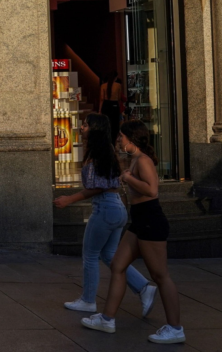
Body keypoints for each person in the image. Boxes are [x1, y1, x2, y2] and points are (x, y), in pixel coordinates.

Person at [81, 120, 184, 344]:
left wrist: (128, 178)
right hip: (139, 221)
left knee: (161, 276)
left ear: (132, 138)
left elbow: (152, 190)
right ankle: (107, 319)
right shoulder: (135, 159)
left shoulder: (143, 160)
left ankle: (175, 328)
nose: (118, 140)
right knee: (118, 265)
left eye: (121, 136)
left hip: (150, 221)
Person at [53, 114, 156, 316]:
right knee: (110, 255)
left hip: (105, 208)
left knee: (90, 255)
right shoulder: (103, 150)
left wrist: (70, 199)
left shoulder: (99, 152)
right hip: (115, 208)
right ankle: (144, 287)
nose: (81, 128)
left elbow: (99, 187)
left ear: (95, 129)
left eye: (85, 125)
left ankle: (88, 300)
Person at [98, 71, 123, 142]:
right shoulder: (118, 85)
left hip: (106, 105)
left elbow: (101, 99)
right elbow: (119, 98)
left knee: (106, 123)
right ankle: (113, 141)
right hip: (114, 105)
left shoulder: (103, 86)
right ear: (115, 77)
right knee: (115, 125)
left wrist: (100, 110)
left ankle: (106, 140)